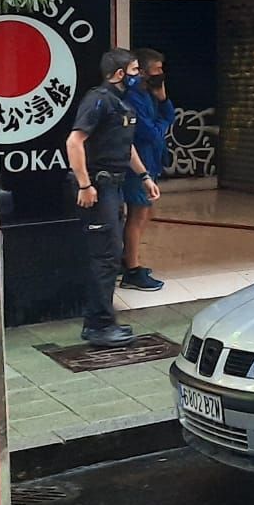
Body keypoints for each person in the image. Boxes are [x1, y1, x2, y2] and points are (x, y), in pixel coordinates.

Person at [65, 49, 160, 346]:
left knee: (109, 253)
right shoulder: (98, 100)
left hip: (114, 186)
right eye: (134, 70)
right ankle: (99, 326)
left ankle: (102, 320)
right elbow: (74, 142)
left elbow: (125, 146)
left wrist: (144, 176)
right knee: (105, 257)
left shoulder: (121, 104)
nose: (139, 75)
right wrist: (85, 185)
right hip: (97, 188)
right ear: (119, 74)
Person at [119, 46, 174, 292]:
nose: (160, 74)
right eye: (156, 70)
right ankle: (131, 267)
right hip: (137, 163)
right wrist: (161, 124)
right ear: (141, 71)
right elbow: (150, 132)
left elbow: (168, 116)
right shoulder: (132, 97)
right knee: (138, 213)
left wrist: (162, 99)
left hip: (151, 160)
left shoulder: (148, 93)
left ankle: (130, 259)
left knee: (145, 213)